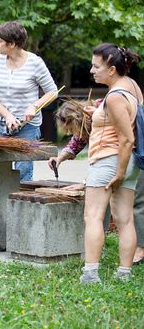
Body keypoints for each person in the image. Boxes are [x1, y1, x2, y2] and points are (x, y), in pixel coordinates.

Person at [73, 43, 142, 283]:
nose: (92, 71)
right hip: (129, 160)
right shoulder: (131, 87)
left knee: (92, 216)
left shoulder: (113, 97)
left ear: (112, 69)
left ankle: (90, 274)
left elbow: (126, 138)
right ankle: (124, 274)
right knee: (125, 220)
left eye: (96, 66)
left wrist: (119, 173)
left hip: (109, 160)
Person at [0, 21, 58, 181]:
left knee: (23, 176)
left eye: (0, 40)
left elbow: (53, 92)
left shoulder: (35, 63)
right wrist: (7, 115)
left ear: (11, 44)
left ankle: (18, 205)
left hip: (27, 129)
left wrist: (34, 106)